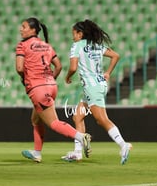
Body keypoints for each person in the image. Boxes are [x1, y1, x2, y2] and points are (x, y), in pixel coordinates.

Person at [16, 17, 92, 163]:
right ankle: (37, 153)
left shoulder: (23, 45)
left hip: (38, 88)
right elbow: (58, 66)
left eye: (24, 27)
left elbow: (19, 68)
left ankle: (81, 137)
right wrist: (49, 80)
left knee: (53, 123)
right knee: (35, 119)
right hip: (51, 86)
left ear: (33, 30)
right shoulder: (47, 46)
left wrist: (26, 78)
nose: (21, 29)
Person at [63, 19, 132, 164]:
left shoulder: (77, 46)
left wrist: (67, 76)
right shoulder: (97, 45)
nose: (73, 37)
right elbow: (116, 56)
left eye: (74, 34)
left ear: (80, 34)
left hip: (91, 87)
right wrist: (107, 73)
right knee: (77, 117)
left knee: (101, 119)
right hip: (98, 84)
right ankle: (77, 153)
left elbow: (73, 67)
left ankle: (123, 145)